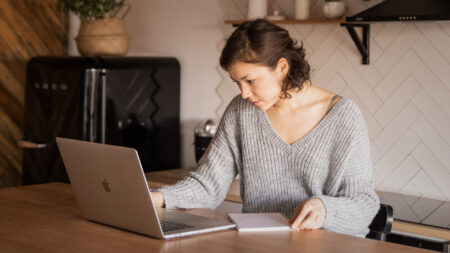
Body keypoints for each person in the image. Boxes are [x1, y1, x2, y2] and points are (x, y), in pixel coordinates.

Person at [151, 19, 379, 238]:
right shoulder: (241, 111)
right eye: (237, 83)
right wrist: (158, 197)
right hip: (258, 244)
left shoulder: (343, 116)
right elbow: (207, 185)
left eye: (250, 81)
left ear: (282, 67)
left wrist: (326, 209)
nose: (243, 93)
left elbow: (363, 203)